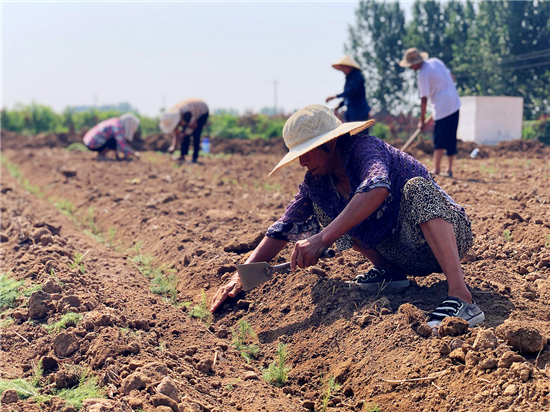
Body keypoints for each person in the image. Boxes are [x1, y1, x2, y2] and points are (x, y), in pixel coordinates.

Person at [210, 104, 484, 328]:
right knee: (323, 206)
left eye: (306, 153)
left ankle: (462, 298)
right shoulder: (316, 182)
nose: (302, 162)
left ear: (330, 144)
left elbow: (376, 189)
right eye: (298, 156)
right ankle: (390, 274)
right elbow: (284, 227)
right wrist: (240, 276)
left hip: (443, 241)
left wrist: (322, 239)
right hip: (399, 252)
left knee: (417, 188)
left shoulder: (365, 149)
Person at [399, 47, 461, 178]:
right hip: (454, 102)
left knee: (439, 138)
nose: (410, 68)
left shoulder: (423, 75)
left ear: (416, 63)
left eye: (411, 65)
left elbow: (423, 99)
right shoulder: (436, 61)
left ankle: (437, 169)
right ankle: (449, 169)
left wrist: (422, 121)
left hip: (442, 107)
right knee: (451, 137)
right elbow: (452, 77)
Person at [159, 98, 209, 163]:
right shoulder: (175, 115)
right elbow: (177, 133)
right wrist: (173, 146)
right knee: (185, 133)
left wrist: (184, 134)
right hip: (192, 111)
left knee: (196, 134)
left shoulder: (186, 114)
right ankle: (182, 155)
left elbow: (194, 125)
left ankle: (194, 158)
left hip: (202, 111)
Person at [326, 55, 370, 123]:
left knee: (360, 132)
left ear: (349, 66)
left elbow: (352, 91)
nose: (342, 69)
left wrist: (336, 96)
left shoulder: (356, 76)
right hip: (351, 112)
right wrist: (339, 105)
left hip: (359, 111)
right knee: (350, 132)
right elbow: (349, 96)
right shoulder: (349, 79)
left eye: (343, 67)